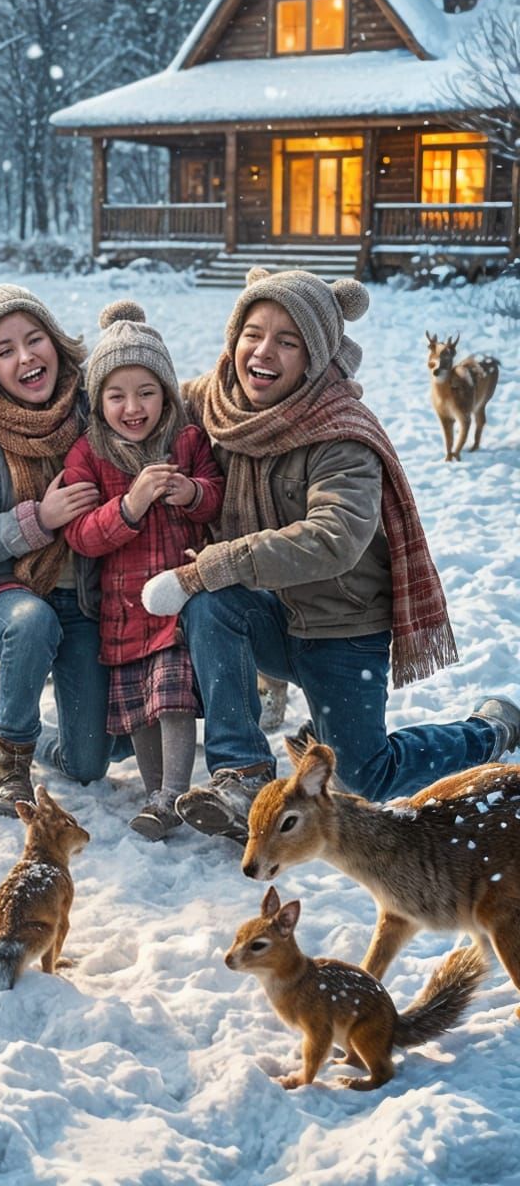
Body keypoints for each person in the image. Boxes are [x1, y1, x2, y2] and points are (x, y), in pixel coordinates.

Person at [142, 267, 520, 842]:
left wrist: (216, 563)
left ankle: (488, 732)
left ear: (315, 356)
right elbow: (143, 398)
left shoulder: (341, 431)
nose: (263, 351)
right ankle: (242, 775)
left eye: (287, 340)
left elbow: (335, 536)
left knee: (366, 776)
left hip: (342, 628)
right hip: (270, 617)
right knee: (209, 605)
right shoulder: (216, 403)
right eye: (253, 332)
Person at [0, 284, 112, 817]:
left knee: (88, 763)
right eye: (4, 350)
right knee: (32, 623)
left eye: (33, 338)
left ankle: (8, 699)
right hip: (6, 592)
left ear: (55, 341)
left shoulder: (94, 407)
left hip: (88, 599)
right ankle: (10, 762)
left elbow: (162, 399)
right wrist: (38, 520)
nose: (25, 357)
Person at [63, 301, 224, 840]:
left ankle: (172, 793)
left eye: (146, 392)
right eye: (116, 395)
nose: (132, 407)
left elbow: (217, 499)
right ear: (98, 400)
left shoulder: (187, 441)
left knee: (173, 693)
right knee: (140, 706)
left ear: (168, 393)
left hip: (175, 596)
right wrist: (129, 506)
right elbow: (82, 534)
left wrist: (193, 492)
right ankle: (157, 793)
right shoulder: (89, 454)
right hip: (123, 605)